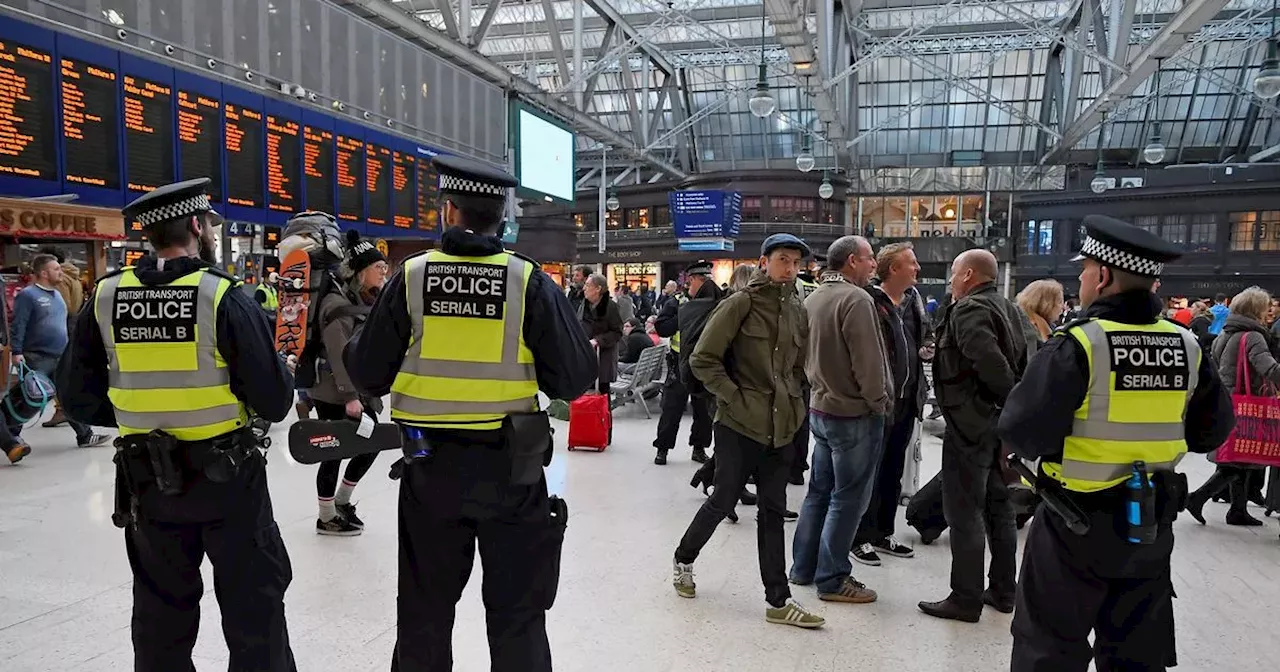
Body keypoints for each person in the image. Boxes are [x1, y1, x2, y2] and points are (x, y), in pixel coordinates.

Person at [342, 155, 595, 671]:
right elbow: (574, 378)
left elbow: (367, 374)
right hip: (513, 472)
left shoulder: (411, 278)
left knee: (425, 615)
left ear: (448, 211)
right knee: (518, 617)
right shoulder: (528, 282)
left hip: (430, 472)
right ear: (501, 217)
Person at [56, 177, 298, 670]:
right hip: (229, 479)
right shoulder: (221, 297)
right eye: (208, 223)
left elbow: (76, 398)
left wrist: (138, 418)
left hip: (149, 480)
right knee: (255, 609)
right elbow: (273, 401)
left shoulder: (106, 297)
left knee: (160, 615)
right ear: (195, 225)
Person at [998, 214, 1233, 671]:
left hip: (1074, 522)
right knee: (1135, 652)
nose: (1081, 278)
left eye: (1085, 269)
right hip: (1149, 521)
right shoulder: (1186, 345)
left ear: (1103, 276)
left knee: (1048, 645)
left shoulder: (1080, 344)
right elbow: (1212, 431)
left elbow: (1023, 430)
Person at [672, 233, 825, 629]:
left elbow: (796, 364)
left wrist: (796, 399)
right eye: (782, 259)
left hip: (782, 426)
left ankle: (779, 600)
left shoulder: (797, 307)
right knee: (723, 499)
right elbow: (703, 359)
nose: (789, 268)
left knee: (772, 512)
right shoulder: (740, 303)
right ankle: (684, 558)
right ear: (763, 261)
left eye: (795, 261)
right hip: (739, 425)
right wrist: (733, 397)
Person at [918, 248, 1025, 623]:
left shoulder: (969, 310)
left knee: (963, 511)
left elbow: (991, 363)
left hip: (972, 426)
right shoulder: (1008, 307)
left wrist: (993, 405)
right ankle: (1003, 589)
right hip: (995, 427)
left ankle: (965, 597)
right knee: (999, 508)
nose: (950, 282)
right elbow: (1024, 360)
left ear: (967, 275)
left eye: (953, 275)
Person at [789, 235, 888, 604]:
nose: (873, 264)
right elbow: (868, 362)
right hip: (853, 413)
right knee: (848, 499)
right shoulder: (856, 299)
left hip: (820, 407)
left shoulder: (813, 298)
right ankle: (832, 578)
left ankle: (803, 566)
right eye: (869, 258)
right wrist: (879, 402)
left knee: (818, 492)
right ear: (850, 261)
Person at [853, 242, 931, 566]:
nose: (918, 268)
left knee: (894, 471)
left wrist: (928, 346)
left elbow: (925, 335)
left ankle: (884, 532)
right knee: (868, 472)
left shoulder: (914, 300)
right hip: (878, 402)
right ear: (894, 269)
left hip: (907, 401)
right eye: (911, 263)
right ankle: (860, 537)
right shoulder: (871, 301)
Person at [311, 230, 389, 536]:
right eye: (378, 267)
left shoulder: (360, 299)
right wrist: (350, 397)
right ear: (359, 271)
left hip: (354, 390)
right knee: (333, 451)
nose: (384, 271)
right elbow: (336, 353)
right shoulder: (335, 302)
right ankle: (327, 515)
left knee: (370, 444)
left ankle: (341, 502)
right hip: (334, 392)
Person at [1186, 286, 1279, 527]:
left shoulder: (1226, 334)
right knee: (1238, 463)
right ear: (1255, 309)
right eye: (1265, 307)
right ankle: (1197, 498)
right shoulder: (1253, 336)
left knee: (1239, 459)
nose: (1269, 311)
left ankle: (1237, 511)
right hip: (1245, 405)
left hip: (1226, 402)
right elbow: (1268, 368)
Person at [11, 254, 109, 449]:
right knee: (29, 398)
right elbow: (18, 324)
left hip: (60, 355)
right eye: (56, 269)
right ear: (44, 273)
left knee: (68, 395)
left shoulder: (57, 295)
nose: (60, 272)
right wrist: (16, 351)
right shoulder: (28, 295)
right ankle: (10, 436)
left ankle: (84, 435)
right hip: (36, 356)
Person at [651, 262, 719, 466]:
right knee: (671, 409)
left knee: (703, 412)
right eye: (702, 279)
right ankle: (662, 448)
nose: (707, 282)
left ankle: (699, 448)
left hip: (704, 365)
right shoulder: (677, 302)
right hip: (680, 364)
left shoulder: (714, 301)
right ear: (692, 279)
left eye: (709, 278)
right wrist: (685, 317)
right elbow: (662, 328)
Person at [37, 246, 83, 429]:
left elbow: (64, 306)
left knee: (58, 372)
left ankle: (64, 410)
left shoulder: (61, 280)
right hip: (72, 325)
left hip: (63, 327)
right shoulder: (73, 275)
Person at [580, 274, 624, 395]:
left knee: (602, 393)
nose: (584, 288)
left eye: (588, 285)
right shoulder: (584, 304)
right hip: (585, 356)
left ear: (598, 289)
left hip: (603, 358)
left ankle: (604, 414)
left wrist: (598, 341)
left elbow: (617, 332)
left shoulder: (610, 306)